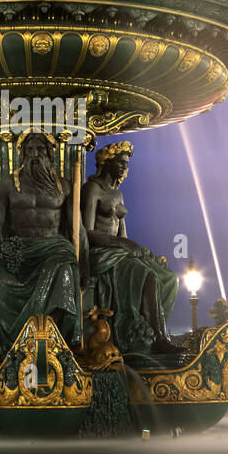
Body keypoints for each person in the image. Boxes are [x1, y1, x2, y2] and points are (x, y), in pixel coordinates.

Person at [0, 132, 88, 350]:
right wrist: (3, 250)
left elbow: (77, 229)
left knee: (63, 272)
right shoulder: (6, 185)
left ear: (50, 154)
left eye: (40, 150)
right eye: (29, 150)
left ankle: (52, 341)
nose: (35, 155)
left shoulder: (64, 187)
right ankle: (14, 345)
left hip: (54, 249)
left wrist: (85, 264)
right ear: (21, 155)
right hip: (18, 250)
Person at [80, 141, 181, 356]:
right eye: (121, 162)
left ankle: (153, 330)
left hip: (119, 252)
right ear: (107, 162)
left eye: (127, 164)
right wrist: (124, 245)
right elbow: (87, 233)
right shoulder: (92, 189)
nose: (125, 168)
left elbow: (123, 235)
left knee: (169, 278)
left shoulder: (118, 195)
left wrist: (142, 253)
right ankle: (157, 338)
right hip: (100, 253)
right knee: (149, 277)